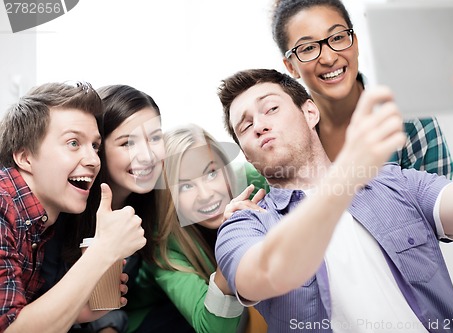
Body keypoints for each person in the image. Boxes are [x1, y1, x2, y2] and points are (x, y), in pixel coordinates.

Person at [215, 33, 453, 333]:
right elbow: (267, 273)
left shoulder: (395, 182)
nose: (259, 125)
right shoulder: (244, 223)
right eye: (245, 126)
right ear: (245, 152)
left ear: (310, 112)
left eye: (271, 108)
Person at [0, 82, 146, 332]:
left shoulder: (40, 224)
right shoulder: (3, 206)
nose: (93, 160)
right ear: (25, 157)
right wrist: (104, 250)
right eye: (73, 143)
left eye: (95, 146)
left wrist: (78, 312)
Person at [56, 84, 196, 333]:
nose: (147, 155)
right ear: (98, 149)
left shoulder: (149, 205)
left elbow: (109, 304)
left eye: (155, 138)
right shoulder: (66, 208)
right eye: (127, 143)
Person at [271, 0, 453, 177]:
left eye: (337, 38)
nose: (329, 58)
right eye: (308, 48)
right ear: (291, 67)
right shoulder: (285, 136)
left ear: (355, 42)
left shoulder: (408, 118)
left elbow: (439, 205)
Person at [125, 124, 266, 333]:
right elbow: (213, 329)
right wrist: (232, 245)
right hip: (157, 320)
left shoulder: (252, 181)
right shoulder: (163, 245)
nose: (206, 194)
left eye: (211, 173)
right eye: (185, 186)